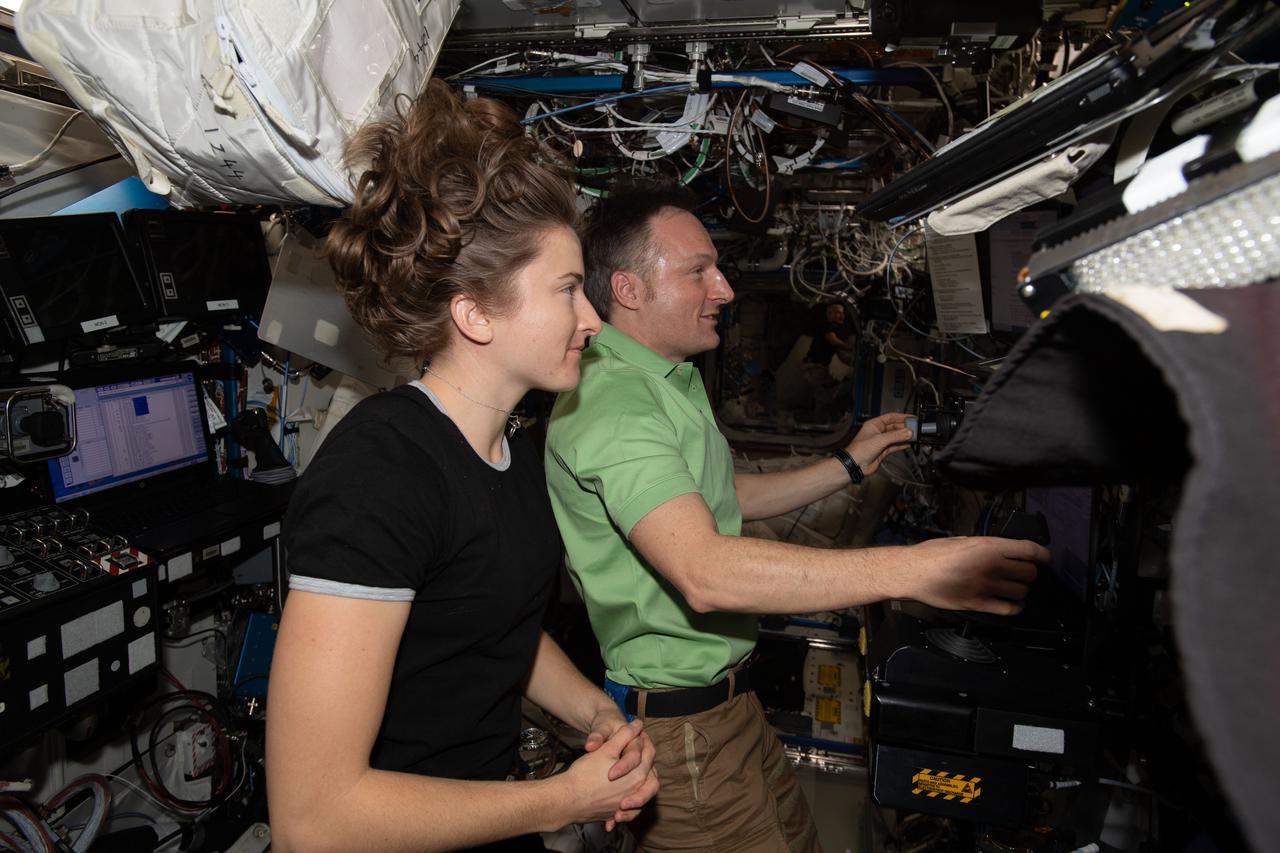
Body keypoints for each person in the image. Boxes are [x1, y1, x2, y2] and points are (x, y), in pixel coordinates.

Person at [544, 182, 1049, 853]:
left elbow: (725, 498)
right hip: (685, 733)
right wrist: (917, 569)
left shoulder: (668, 379)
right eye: (699, 271)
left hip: (730, 705)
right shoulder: (617, 405)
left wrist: (848, 461)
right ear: (630, 290)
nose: (724, 288)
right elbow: (703, 571)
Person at [266, 81, 658, 853]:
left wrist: (595, 714)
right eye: (569, 290)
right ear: (475, 313)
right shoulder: (379, 475)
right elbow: (314, 817)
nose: (591, 320)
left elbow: (487, 622)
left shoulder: (512, 451)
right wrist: (557, 800)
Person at [800, 302, 854, 421]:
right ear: (829, 314)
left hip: (820, 369)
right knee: (825, 400)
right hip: (813, 368)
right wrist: (853, 348)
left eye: (842, 313)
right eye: (838, 313)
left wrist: (853, 361)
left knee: (832, 393)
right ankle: (821, 426)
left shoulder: (833, 330)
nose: (842, 316)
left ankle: (823, 423)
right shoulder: (826, 326)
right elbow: (834, 342)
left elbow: (840, 353)